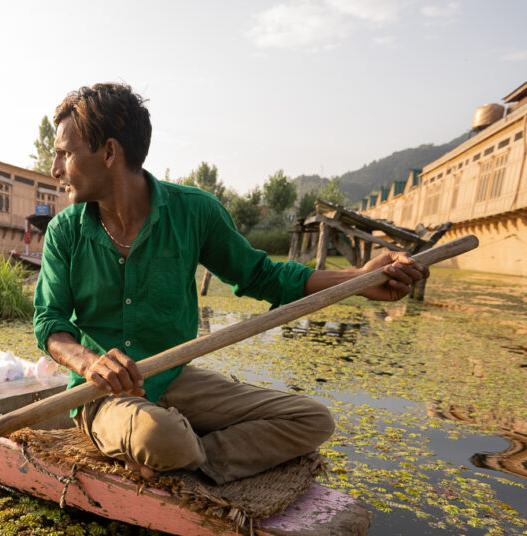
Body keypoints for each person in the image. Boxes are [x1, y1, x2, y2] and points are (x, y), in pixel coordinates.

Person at [34, 83, 429, 484]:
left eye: (65, 153)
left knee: (311, 419)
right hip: (104, 395)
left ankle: (189, 457)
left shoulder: (195, 212)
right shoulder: (66, 231)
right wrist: (90, 363)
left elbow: (263, 276)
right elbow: (49, 322)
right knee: (159, 434)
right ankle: (171, 445)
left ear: (110, 153)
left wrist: (357, 279)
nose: (56, 169)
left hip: (175, 377)